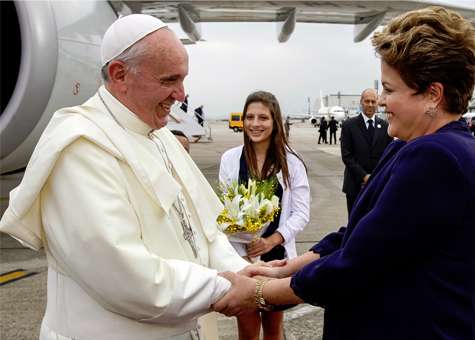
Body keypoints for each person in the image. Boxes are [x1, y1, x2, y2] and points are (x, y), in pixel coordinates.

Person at [213, 6, 475, 340]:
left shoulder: (436, 157)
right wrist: (286, 267)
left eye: (390, 90)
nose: (380, 101)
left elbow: (358, 263)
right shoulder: (410, 146)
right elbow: (357, 231)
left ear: (432, 95)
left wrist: (260, 292)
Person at [0, 14, 251, 340]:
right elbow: (129, 279)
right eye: (168, 80)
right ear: (120, 75)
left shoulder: (159, 135)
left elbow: (200, 230)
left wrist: (246, 272)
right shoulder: (80, 148)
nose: (181, 95)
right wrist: (233, 288)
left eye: (183, 79)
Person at [219, 91, 310, 340]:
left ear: (274, 121)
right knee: (247, 332)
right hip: (242, 259)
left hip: (276, 261)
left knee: (273, 332)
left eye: (263, 117)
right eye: (249, 117)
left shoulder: (292, 163)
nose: (255, 124)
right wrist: (244, 239)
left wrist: (270, 241)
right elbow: (226, 209)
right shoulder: (230, 159)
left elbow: (301, 213)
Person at [340, 88, 392, 215]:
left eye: (373, 102)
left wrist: (377, 177)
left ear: (377, 103)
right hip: (354, 185)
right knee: (354, 225)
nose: (370, 105)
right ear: (361, 102)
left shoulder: (385, 126)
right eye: (367, 101)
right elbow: (347, 156)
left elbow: (389, 154)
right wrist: (364, 176)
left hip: (377, 185)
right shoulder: (348, 125)